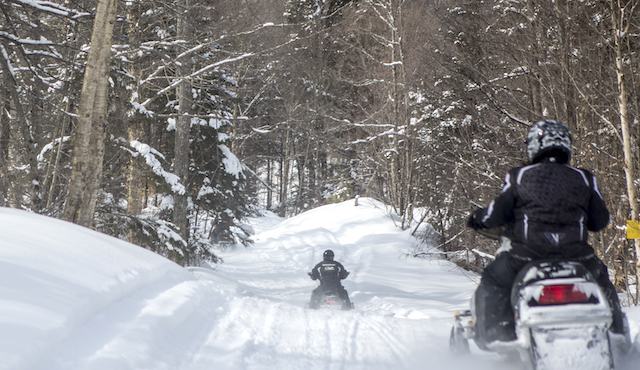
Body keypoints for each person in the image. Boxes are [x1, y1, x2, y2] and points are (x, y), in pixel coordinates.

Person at [466, 120, 625, 345]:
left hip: (527, 257)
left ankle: (498, 338)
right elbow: (601, 221)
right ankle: (617, 336)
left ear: (534, 145)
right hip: (578, 258)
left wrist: (476, 219)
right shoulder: (584, 178)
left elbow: (495, 215)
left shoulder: (519, 175)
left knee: (493, 279)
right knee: (602, 280)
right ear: (567, 146)